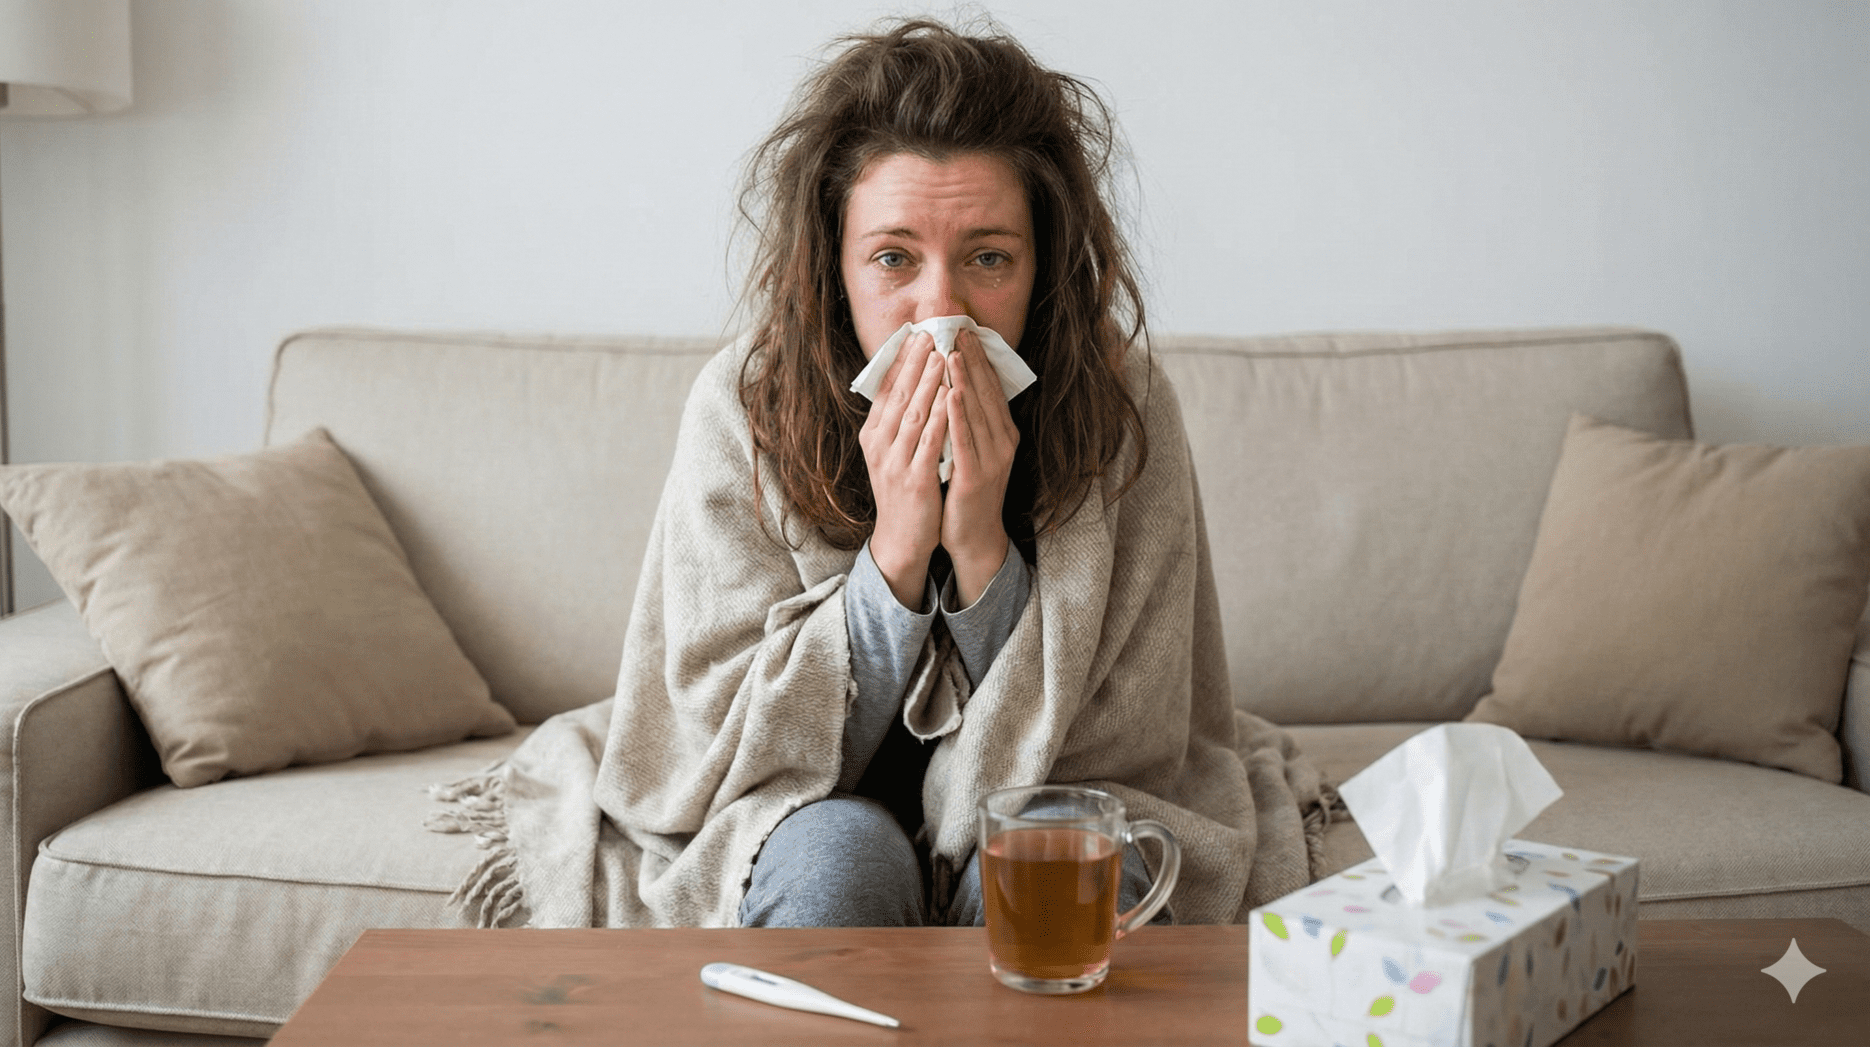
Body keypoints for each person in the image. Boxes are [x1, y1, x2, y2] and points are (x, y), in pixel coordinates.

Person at [437, 17, 1338, 932]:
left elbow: (1128, 743)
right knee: (843, 858)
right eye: (893, 259)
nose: (939, 311)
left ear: (1044, 271)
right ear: (834, 269)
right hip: (801, 810)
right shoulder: (742, 405)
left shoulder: (1124, 405)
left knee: (1041, 862)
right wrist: (897, 558)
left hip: (1053, 790)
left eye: (989, 258)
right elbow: (716, 734)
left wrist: (983, 550)